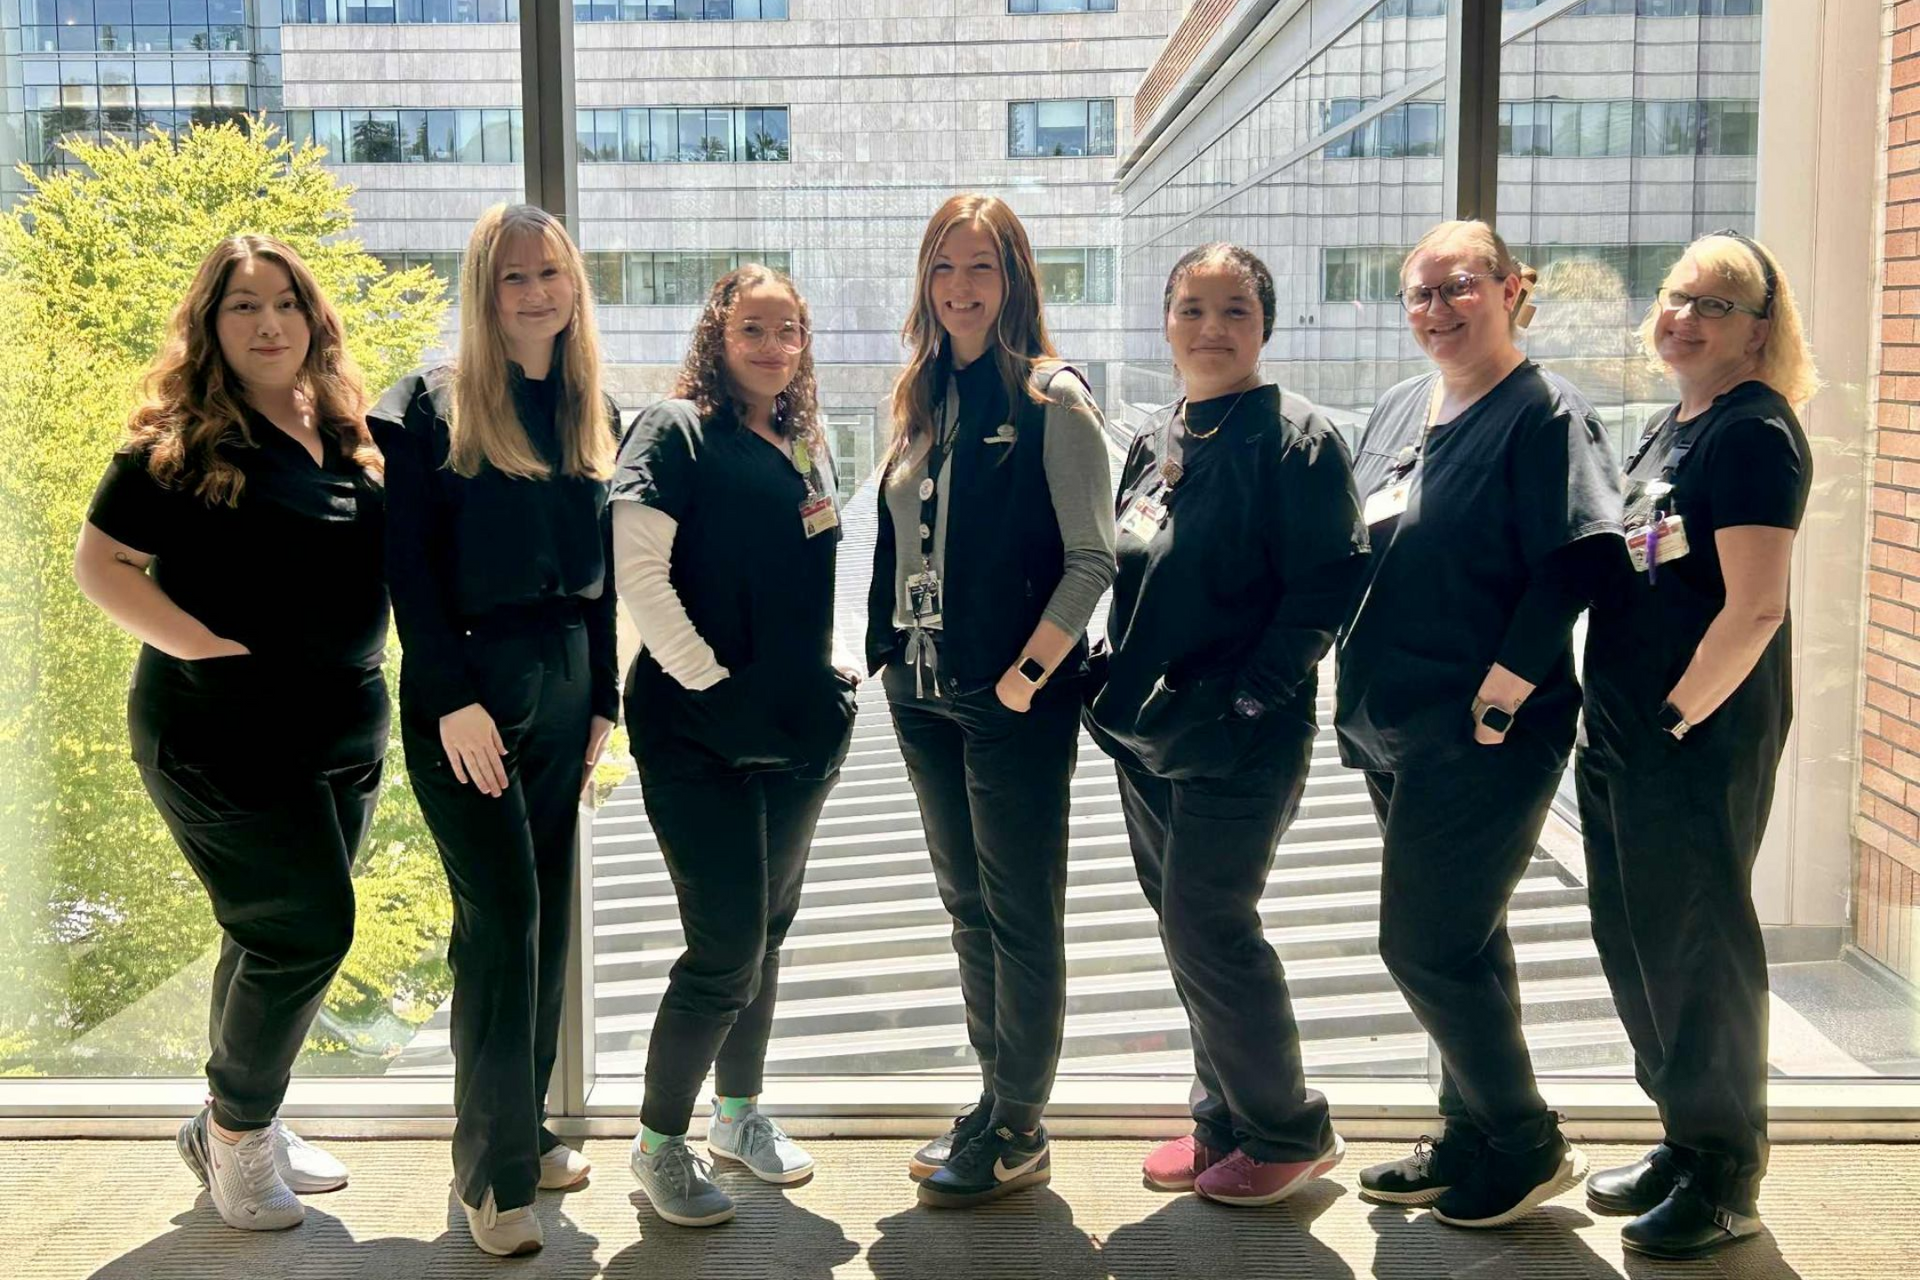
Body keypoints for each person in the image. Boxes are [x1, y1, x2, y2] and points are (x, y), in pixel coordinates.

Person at [74, 235, 386, 1232]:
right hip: (221, 733)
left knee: (267, 933)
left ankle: (238, 1117)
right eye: (244, 306)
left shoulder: (344, 429)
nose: (268, 325)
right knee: (307, 926)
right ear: (211, 325)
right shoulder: (178, 440)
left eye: (286, 304)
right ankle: (241, 1139)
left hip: (342, 727)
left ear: (313, 319)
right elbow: (102, 565)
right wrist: (205, 649)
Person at [1338, 220, 1623, 1228]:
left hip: (1485, 728)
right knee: (1466, 940)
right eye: (1419, 293)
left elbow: (1574, 561)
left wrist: (1502, 692)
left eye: (1459, 286)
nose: (1438, 308)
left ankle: (1528, 1135)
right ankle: (1469, 1134)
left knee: (1420, 942)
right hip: (1392, 722)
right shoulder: (1399, 409)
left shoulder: (1544, 414)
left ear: (1511, 287)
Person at [1085, 243, 1367, 1205]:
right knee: (1183, 928)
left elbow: (1329, 585)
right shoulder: (1157, 435)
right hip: (1150, 733)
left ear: (1266, 325)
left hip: (1242, 734)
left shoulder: (1298, 437)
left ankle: (1288, 1131)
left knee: (1213, 925)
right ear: (1166, 322)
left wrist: (1249, 695)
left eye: (1234, 310)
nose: (1212, 328)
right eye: (1193, 309)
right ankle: (1222, 1121)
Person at [370, 203, 618, 1258]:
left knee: (548, 913)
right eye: (513, 277)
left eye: (550, 273)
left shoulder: (589, 406)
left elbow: (604, 578)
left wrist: (606, 695)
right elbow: (408, 573)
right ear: (484, 288)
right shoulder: (425, 406)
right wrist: (448, 695)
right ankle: (490, 1170)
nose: (534, 292)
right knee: (500, 922)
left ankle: (526, 1127)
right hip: (467, 687)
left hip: (566, 683)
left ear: (573, 285)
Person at [866, 193, 1116, 1208]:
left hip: (1009, 698)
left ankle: (1020, 1123)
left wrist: (1024, 676)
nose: (961, 288)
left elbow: (1092, 558)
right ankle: (995, 1096)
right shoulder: (921, 392)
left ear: (1014, 280)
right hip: (922, 695)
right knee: (967, 905)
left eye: (982, 268)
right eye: (943, 269)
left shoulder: (1052, 395)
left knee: (1019, 910)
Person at [1577, 231, 1817, 1259]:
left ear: (1759, 328)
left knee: (1699, 947)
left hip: (1693, 735)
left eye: (1714, 304)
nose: (1686, 316)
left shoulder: (1755, 434)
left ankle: (1727, 1174)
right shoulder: (1671, 429)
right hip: (1628, 731)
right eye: (1676, 297)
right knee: (1634, 938)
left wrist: (1676, 720)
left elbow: (1756, 608)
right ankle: (1682, 1139)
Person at [614, 265, 857, 1227]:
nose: (772, 346)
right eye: (753, 328)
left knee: (765, 935)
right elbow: (639, 568)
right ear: (717, 333)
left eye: (788, 330)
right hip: (697, 733)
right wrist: (711, 681)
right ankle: (658, 1143)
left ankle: (739, 1116)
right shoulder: (673, 430)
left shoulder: (801, 440)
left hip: (796, 732)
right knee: (721, 949)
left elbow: (808, 573)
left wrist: (824, 675)